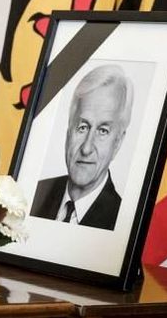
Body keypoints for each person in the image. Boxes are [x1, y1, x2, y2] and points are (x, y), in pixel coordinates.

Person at [30, 64, 133, 231]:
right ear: (69, 130)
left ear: (118, 142)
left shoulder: (122, 223)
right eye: (82, 127)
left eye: (103, 131)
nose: (86, 149)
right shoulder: (33, 195)